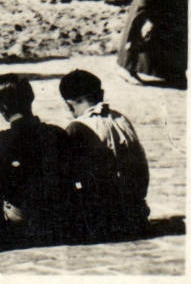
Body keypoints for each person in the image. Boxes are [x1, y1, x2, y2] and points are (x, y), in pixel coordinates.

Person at [0, 75, 100, 246]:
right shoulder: (58, 134)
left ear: (1, 106)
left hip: (22, 226)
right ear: (31, 100)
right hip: (60, 223)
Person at [58, 69, 149, 238]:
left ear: (69, 104)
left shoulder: (77, 128)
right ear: (100, 94)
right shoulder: (120, 118)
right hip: (136, 211)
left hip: (105, 218)